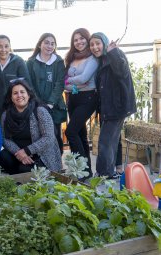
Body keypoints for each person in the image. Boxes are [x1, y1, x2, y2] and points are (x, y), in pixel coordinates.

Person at [89, 32, 136, 178]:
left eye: (98, 43)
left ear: (104, 43)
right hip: (108, 107)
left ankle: (104, 174)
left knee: (105, 142)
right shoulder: (102, 60)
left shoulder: (115, 55)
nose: (95, 47)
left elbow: (122, 72)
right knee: (111, 140)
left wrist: (113, 52)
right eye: (92, 44)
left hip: (117, 107)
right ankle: (115, 170)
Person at [0, 79, 62, 174]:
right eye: (15, 93)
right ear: (11, 98)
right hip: (19, 154)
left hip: (42, 154)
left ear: (28, 95)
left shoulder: (40, 111)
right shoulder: (6, 115)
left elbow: (49, 137)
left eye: (22, 92)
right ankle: (17, 177)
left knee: (25, 169)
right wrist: (20, 153)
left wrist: (27, 151)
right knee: (2, 156)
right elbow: (4, 138)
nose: (19, 95)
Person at [64, 28, 99, 176]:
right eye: (76, 40)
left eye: (82, 38)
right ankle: (86, 171)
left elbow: (84, 79)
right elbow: (63, 84)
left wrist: (70, 81)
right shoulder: (72, 57)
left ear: (87, 38)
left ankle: (80, 169)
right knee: (80, 133)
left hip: (88, 98)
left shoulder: (93, 58)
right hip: (72, 98)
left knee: (70, 131)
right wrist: (73, 84)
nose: (79, 42)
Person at [27, 33, 67, 153]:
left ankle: (57, 164)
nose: (49, 46)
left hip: (54, 106)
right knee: (39, 136)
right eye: (46, 42)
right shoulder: (31, 62)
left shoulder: (58, 61)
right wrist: (38, 103)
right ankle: (43, 164)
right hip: (36, 105)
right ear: (40, 44)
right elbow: (29, 84)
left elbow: (60, 83)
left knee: (55, 135)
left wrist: (50, 103)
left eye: (52, 43)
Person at [0, 34, 31, 122]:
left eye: (6, 46)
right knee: (0, 131)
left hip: (16, 106)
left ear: (10, 47)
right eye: (0, 46)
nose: (3, 50)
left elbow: (27, 85)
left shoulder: (19, 62)